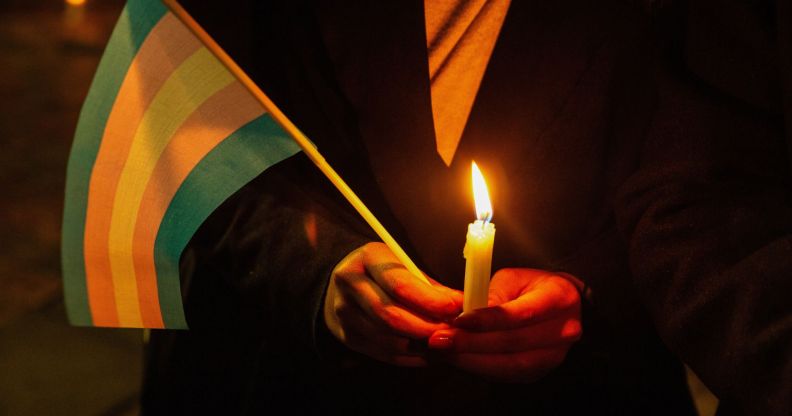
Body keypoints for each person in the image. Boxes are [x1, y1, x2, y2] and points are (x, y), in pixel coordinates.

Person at [141, 1, 791, 415]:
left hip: (573, 390)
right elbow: (185, 122)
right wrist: (320, 271)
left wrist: (583, 286)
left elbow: (701, 165)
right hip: (281, 373)